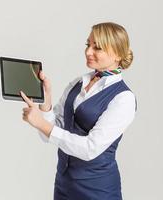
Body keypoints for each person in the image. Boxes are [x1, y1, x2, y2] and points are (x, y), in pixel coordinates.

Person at [20, 22, 137, 200]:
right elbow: (49, 134)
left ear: (118, 54)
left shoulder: (124, 99)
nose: (88, 51)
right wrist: (46, 101)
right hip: (64, 185)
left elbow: (90, 148)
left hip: (97, 190)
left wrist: (41, 123)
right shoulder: (78, 83)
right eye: (88, 44)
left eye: (97, 47)